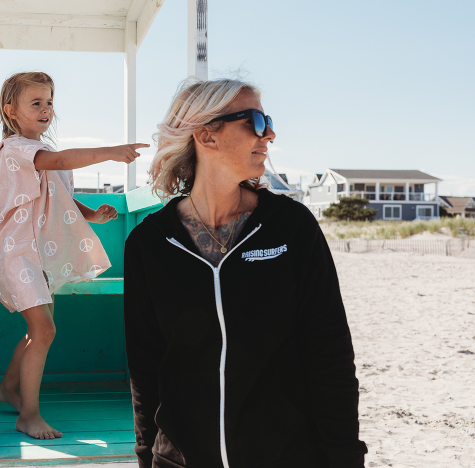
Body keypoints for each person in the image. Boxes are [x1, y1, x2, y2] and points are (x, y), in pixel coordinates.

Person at [124, 78, 367, 467]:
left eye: (266, 119)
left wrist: (345, 458)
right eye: (254, 121)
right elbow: (145, 368)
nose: (269, 133)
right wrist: (146, 457)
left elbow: (330, 353)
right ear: (206, 136)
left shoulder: (290, 226)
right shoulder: (149, 244)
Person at [0, 71, 148, 440]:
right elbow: (59, 163)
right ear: (11, 111)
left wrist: (90, 215)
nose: (46, 110)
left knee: (38, 331)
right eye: (36, 103)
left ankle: (7, 389)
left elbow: (57, 192)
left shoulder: (39, 154)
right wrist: (110, 153)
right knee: (44, 329)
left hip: (35, 254)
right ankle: (28, 414)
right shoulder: (16, 149)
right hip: (15, 253)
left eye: (49, 102)